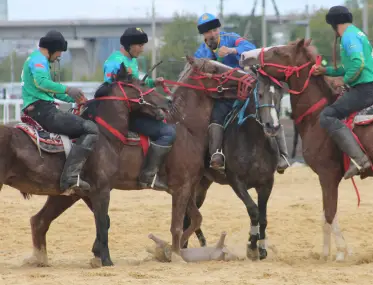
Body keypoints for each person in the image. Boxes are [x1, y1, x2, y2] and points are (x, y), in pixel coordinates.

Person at [194, 13, 290, 173]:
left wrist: (232, 50)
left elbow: (251, 49)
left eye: (214, 30)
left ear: (218, 29)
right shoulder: (200, 53)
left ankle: (283, 155)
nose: (212, 34)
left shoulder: (231, 38)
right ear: (203, 34)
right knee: (216, 116)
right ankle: (216, 153)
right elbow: (198, 74)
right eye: (208, 32)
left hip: (245, 89)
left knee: (268, 107)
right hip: (223, 94)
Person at [21, 30, 99, 195]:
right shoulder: (38, 60)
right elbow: (42, 82)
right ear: (51, 49)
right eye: (59, 52)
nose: (59, 56)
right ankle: (70, 177)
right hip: (44, 112)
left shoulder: (38, 60)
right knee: (91, 129)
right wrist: (68, 89)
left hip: (41, 108)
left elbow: (49, 90)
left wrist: (75, 99)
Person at [312, 6, 373, 179]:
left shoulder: (348, 37)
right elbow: (349, 66)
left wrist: (343, 81)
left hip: (365, 89)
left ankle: (360, 159)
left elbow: (358, 64)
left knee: (327, 116)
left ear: (333, 24)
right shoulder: (356, 33)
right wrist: (326, 71)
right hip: (372, 86)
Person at [103, 27, 176, 190]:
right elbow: (110, 89)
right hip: (125, 115)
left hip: (136, 109)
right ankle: (148, 176)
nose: (142, 49)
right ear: (129, 45)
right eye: (140, 45)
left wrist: (152, 83)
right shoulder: (114, 62)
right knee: (167, 132)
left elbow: (136, 84)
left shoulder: (132, 61)